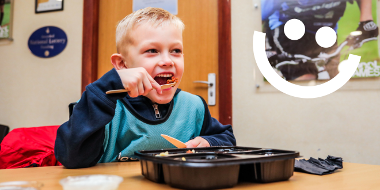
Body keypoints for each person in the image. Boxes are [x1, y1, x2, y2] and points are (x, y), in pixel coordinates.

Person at [54, 7, 236, 169]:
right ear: (122, 64)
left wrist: (208, 142)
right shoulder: (103, 105)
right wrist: (107, 86)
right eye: (152, 51)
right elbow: (71, 157)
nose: (167, 61)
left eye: (176, 51)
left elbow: (227, 139)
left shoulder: (193, 106)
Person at [261, 0, 378, 81]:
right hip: (287, 32)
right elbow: (256, 16)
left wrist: (366, 19)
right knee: (305, 79)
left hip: (325, 34)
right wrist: (267, 50)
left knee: (334, 79)